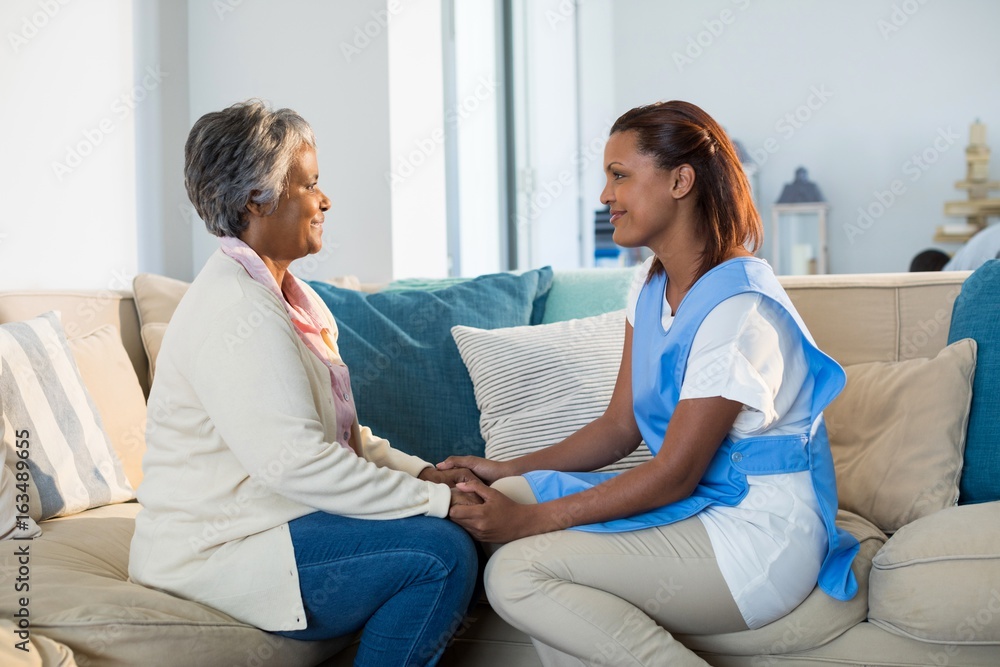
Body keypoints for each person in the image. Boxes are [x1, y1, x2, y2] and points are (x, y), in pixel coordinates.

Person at [439, 100, 859, 666]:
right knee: (508, 501)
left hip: (759, 539)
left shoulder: (738, 310)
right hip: (705, 509)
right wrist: (508, 470)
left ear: (681, 180)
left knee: (516, 571)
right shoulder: (652, 284)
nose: (605, 197)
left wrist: (532, 521)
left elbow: (676, 473)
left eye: (620, 176)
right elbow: (619, 427)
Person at [128, 100, 480, 667]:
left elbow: (333, 434)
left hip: (276, 518)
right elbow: (298, 463)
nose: (325, 199)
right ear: (254, 200)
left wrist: (423, 473)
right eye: (310, 185)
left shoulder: (293, 297)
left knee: (449, 534)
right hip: (215, 551)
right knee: (440, 554)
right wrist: (439, 502)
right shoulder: (234, 310)